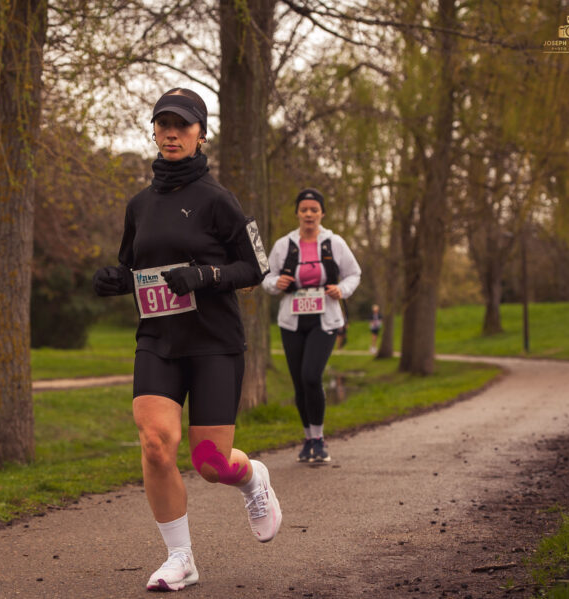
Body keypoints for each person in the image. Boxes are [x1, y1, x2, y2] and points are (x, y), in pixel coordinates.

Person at [92, 88, 280, 592]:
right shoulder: (139, 206)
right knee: (156, 444)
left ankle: (252, 478)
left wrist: (207, 275)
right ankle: (181, 558)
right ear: (154, 131)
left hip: (214, 341)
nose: (172, 133)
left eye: (183, 125)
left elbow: (256, 267)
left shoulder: (220, 201)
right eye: (164, 124)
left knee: (211, 465)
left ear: (201, 134)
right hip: (158, 338)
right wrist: (116, 280)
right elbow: (136, 268)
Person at [262, 188, 361, 464]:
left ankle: (319, 438)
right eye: (304, 209)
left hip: (325, 319)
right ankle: (308, 439)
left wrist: (342, 290)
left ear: (322, 214)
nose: (308, 214)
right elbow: (267, 277)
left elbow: (354, 273)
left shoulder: (334, 243)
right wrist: (276, 283)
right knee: (298, 383)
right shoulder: (284, 245)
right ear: (297, 213)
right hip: (291, 321)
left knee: (310, 376)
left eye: (314, 209)